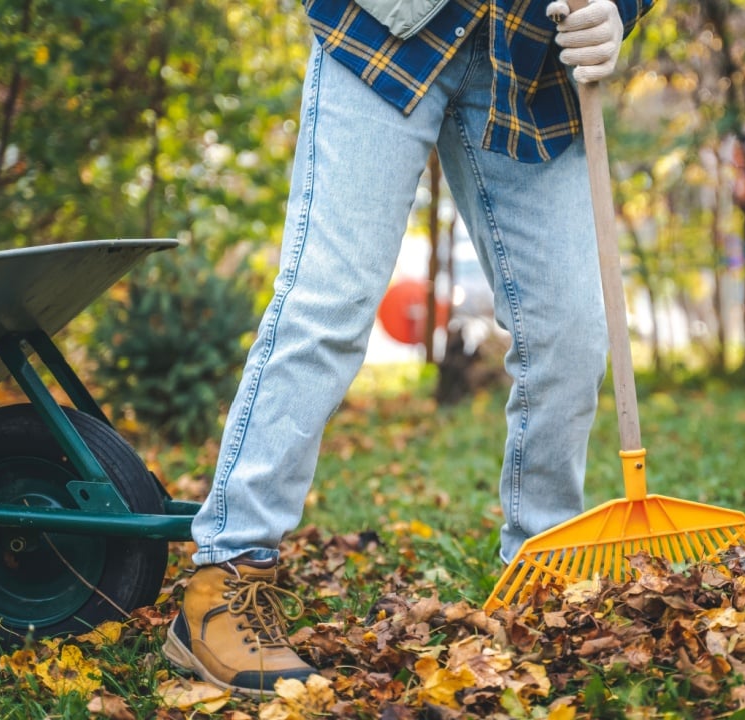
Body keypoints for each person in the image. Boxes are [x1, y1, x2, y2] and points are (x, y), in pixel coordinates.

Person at [162, 0, 654, 697]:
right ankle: (226, 577)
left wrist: (619, 7)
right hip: (387, 29)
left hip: (526, 58)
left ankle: (540, 576)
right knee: (328, 305)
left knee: (573, 329)